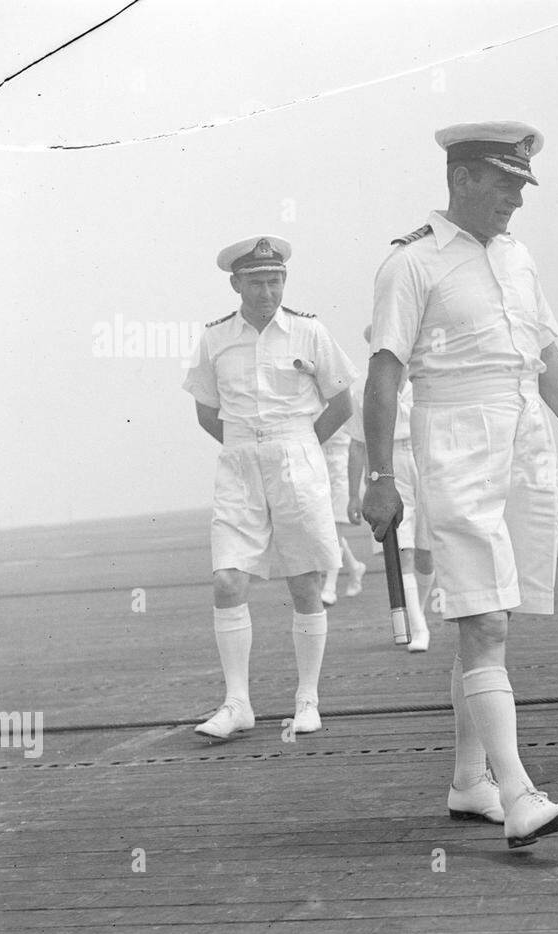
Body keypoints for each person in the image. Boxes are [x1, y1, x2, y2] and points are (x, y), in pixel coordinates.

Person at [362, 121, 558, 848]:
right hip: (457, 435)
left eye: (522, 186)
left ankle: (470, 780)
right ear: (461, 179)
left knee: (497, 611)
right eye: (504, 184)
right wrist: (378, 474)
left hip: (524, 434)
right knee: (483, 619)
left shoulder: (517, 257)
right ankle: (519, 793)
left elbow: (546, 348)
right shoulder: (411, 264)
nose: (516, 200)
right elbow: (383, 374)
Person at [183, 234, 358, 738]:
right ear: (236, 283)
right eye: (257, 282)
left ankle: (308, 699)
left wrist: (301, 444)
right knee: (226, 580)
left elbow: (342, 403)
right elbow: (204, 410)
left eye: (275, 280)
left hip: (297, 459)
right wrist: (247, 445)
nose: (267, 291)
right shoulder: (215, 338)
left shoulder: (309, 331)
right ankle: (237, 704)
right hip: (239, 463)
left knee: (303, 580)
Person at [346, 324, 433, 650]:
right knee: (404, 550)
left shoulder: (423, 382)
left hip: (425, 458)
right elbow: (357, 445)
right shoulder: (363, 392)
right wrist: (354, 493)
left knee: (427, 554)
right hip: (389, 464)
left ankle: (417, 614)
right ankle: (420, 629)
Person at [318, 423, 368, 605]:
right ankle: (355, 567)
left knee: (334, 527)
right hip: (318, 460)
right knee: (327, 527)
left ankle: (329, 587)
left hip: (343, 462)